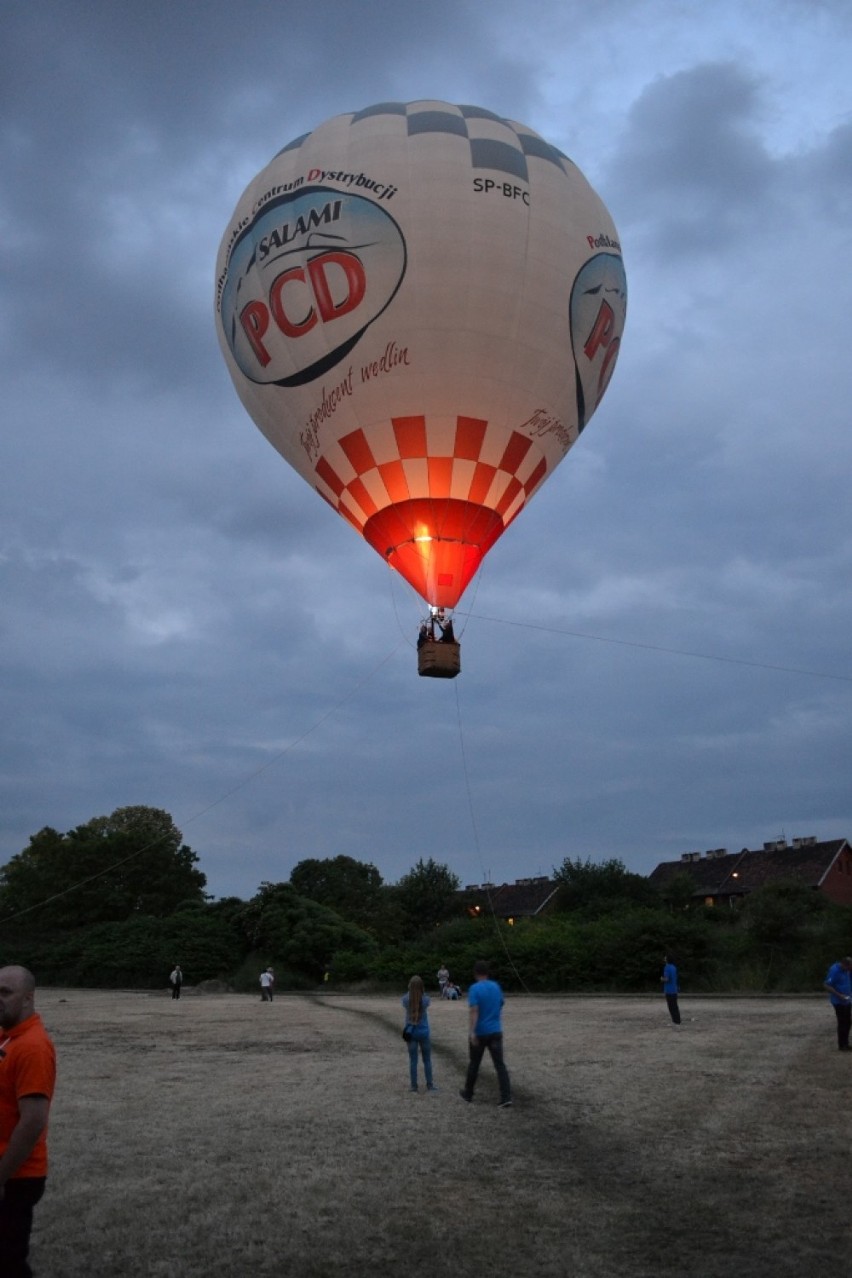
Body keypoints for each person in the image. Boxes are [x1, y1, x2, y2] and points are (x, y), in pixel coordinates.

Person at [0, 965, 57, 1278]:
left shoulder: (32, 1047)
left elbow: (33, 1122)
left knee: (8, 1263)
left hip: (16, 1176)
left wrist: (1, 1177)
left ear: (28, 999)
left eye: (5, 993)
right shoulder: (8, 1037)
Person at [459, 960, 512, 1107]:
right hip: (495, 1031)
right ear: (487, 973)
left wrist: (472, 1032)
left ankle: (468, 1093)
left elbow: (474, 1011)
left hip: (481, 1032)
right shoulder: (496, 986)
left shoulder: (474, 988)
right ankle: (506, 1096)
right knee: (500, 1065)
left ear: (475, 973)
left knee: (474, 1064)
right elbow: (501, 1003)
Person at [402, 975, 436, 1093]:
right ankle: (430, 1085)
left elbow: (406, 1000)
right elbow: (425, 999)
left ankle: (413, 1086)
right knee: (427, 1060)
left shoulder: (405, 999)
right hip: (423, 1032)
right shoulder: (426, 1000)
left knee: (413, 1061)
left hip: (411, 1033)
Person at [823, 955, 852, 1050]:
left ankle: (846, 1043)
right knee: (842, 1022)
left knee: (848, 1022)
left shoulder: (847, 970)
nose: (849, 970)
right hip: (838, 1001)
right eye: (849, 967)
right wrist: (839, 995)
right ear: (844, 965)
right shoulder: (835, 971)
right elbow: (826, 985)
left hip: (847, 1000)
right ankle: (841, 1045)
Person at [661, 953, 681, 1026]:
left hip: (669, 990)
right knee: (675, 1006)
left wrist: (662, 979)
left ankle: (675, 1021)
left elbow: (666, 979)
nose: (664, 959)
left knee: (671, 1006)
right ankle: (677, 1020)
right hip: (674, 989)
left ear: (667, 959)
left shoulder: (667, 967)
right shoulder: (674, 967)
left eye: (665, 958)